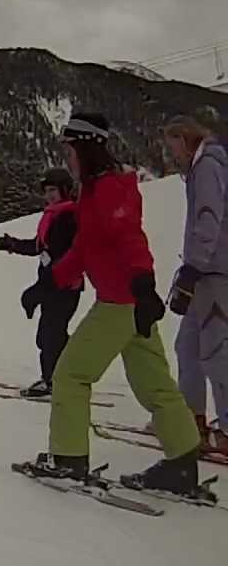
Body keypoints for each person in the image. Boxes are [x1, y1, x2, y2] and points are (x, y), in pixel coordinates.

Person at [14, 112, 205, 496]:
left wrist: (143, 284)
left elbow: (129, 237)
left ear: (86, 146)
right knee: (154, 384)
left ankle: (68, 459)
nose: (67, 157)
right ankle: (183, 462)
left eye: (69, 149)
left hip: (120, 301)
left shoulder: (111, 189)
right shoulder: (94, 189)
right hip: (129, 302)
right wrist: (47, 284)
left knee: (70, 374)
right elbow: (86, 247)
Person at [165, 111, 228, 457]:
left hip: (215, 273)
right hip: (202, 273)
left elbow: (209, 220)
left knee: (216, 352)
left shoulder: (207, 167)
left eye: (173, 144)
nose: (171, 153)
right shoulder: (198, 169)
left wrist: (193, 268)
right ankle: (192, 420)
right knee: (187, 347)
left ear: (186, 138)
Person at [0, 167, 83, 397]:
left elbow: (67, 256)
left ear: (65, 190)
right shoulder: (54, 214)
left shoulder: (68, 217)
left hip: (63, 286)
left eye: (54, 190)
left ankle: (53, 380)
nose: (50, 195)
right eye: (47, 191)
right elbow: (40, 246)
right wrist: (12, 244)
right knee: (53, 334)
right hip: (52, 285)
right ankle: (68, 374)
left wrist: (38, 290)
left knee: (49, 335)